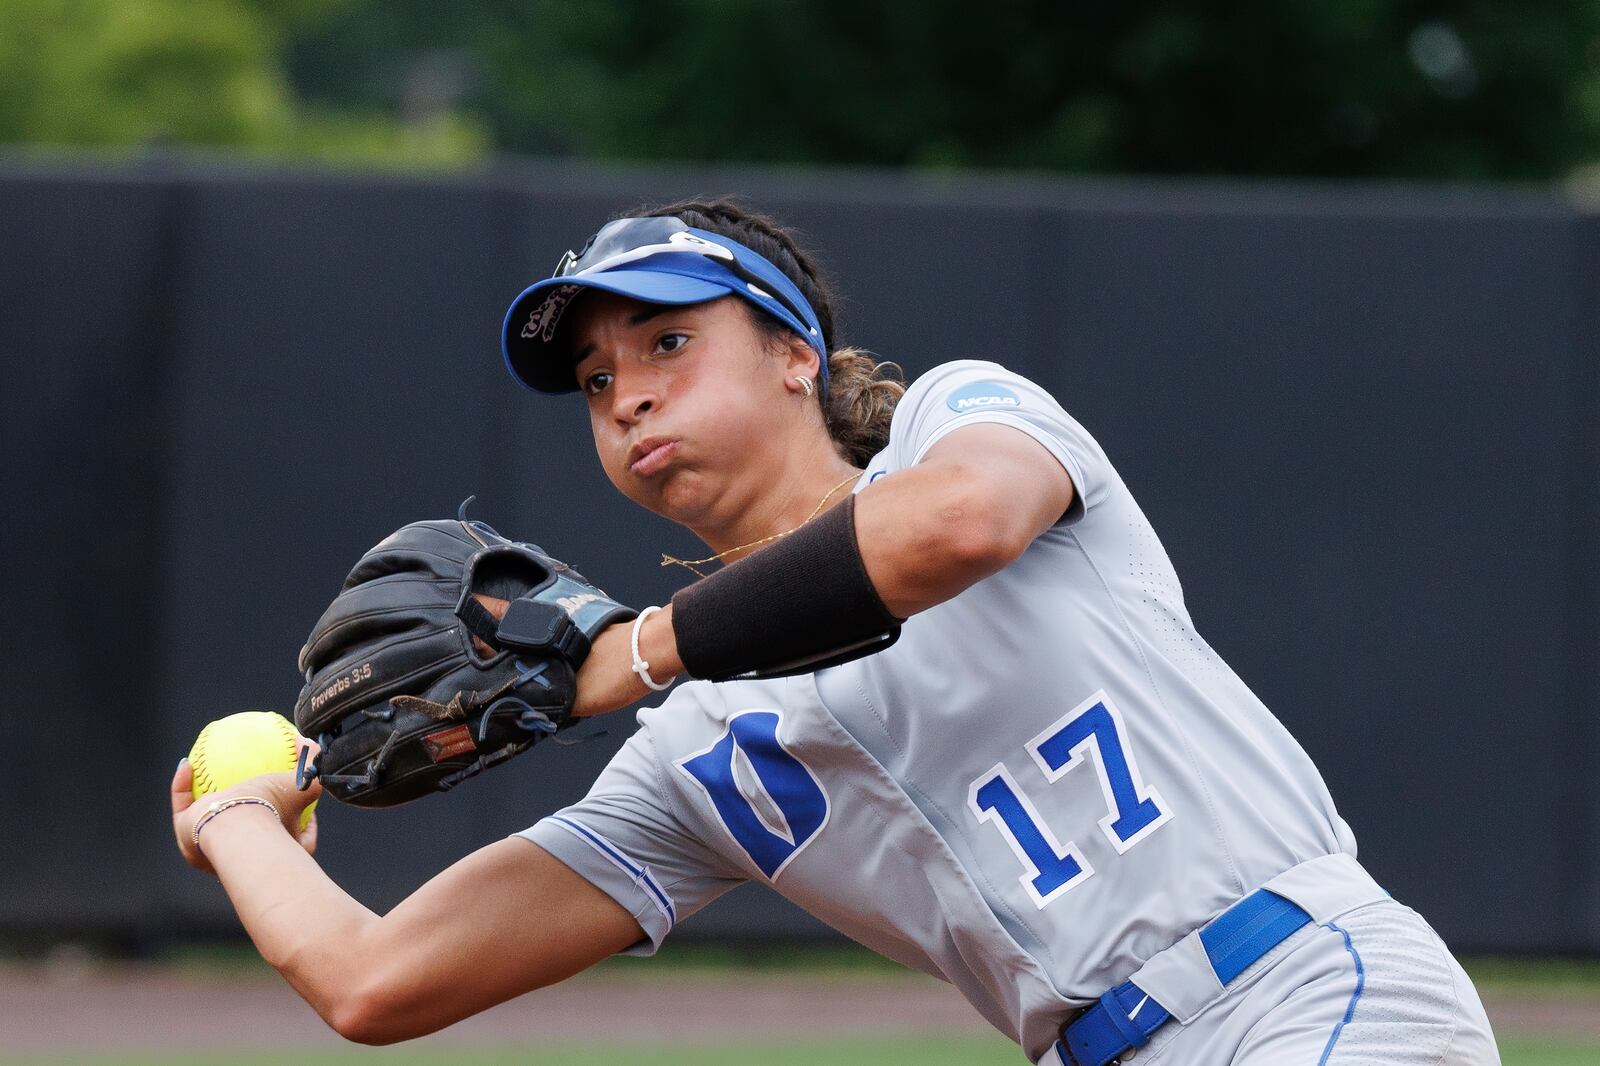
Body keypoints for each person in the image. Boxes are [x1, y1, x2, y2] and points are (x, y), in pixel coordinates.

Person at [171, 199, 1501, 1064]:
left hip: (1311, 989)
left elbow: (954, 530)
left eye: (668, 342)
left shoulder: (961, 422)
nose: (626, 396)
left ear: (796, 353)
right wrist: (232, 818)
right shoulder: (699, 756)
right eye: (596, 380)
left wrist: (629, 655)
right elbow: (377, 980)